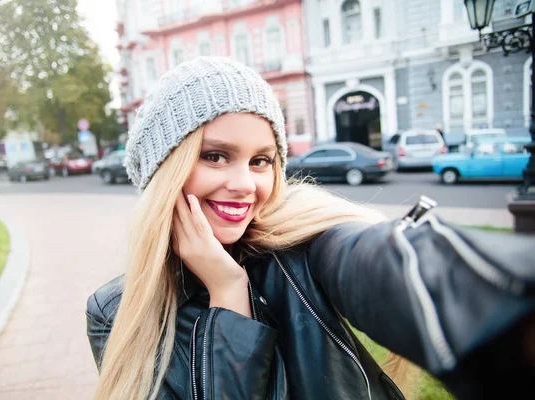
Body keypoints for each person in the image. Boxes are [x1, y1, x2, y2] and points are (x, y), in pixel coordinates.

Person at [86, 57, 535, 400]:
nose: (245, 185)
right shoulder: (113, 314)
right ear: (164, 170)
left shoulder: (300, 244)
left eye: (261, 160)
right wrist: (227, 293)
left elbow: (391, 267)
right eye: (215, 155)